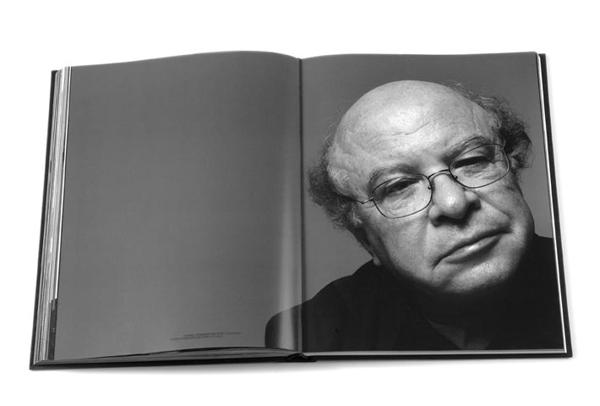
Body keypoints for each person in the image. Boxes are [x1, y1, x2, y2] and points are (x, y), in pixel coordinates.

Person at [266, 80, 564, 352]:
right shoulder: (315, 333)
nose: (453, 203)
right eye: (399, 186)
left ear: (513, 167)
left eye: (472, 160)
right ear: (365, 238)